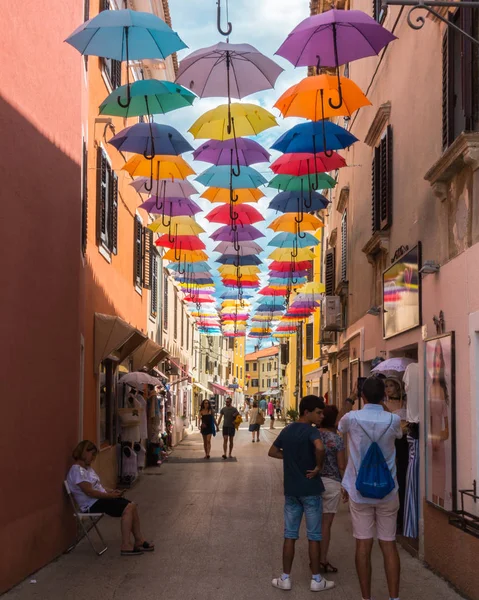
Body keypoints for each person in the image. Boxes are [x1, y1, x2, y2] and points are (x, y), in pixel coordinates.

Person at [338, 377, 403, 600]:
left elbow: (338, 423)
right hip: (388, 490)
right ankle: (394, 598)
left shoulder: (352, 418)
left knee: (363, 545)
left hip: (359, 491)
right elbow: (399, 433)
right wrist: (381, 403)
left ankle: (366, 598)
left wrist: (350, 397)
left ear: (362, 396)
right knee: (389, 544)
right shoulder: (393, 419)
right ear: (384, 396)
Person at [268, 395, 335, 592]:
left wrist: (289, 459)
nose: (321, 416)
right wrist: (318, 466)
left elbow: (272, 451)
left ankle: (285, 578)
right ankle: (316, 579)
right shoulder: (311, 431)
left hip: (292, 490)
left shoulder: (287, 430)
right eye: (318, 412)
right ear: (307, 412)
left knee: (290, 535)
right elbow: (320, 447)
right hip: (311, 490)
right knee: (314, 536)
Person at [67, 440, 154, 556]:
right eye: (92, 454)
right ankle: (126, 545)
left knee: (132, 505)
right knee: (128, 508)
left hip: (100, 499)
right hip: (92, 504)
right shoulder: (77, 471)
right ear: (84, 452)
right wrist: (110, 496)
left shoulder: (87, 469)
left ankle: (139, 540)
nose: (93, 458)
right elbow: (90, 492)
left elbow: (98, 487)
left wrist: (111, 491)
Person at [317, 405, 346, 574]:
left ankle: (314, 559)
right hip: (332, 483)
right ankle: (322, 560)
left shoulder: (313, 435)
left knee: (314, 523)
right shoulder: (337, 439)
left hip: (313, 482)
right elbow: (342, 465)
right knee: (325, 525)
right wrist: (346, 486)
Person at [429, 340, 449, 508]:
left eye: (440, 358)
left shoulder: (443, 389)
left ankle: (441, 506)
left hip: (440, 441)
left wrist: (441, 436)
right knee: (433, 478)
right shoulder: (429, 388)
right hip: (431, 439)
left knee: (440, 477)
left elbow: (446, 421)